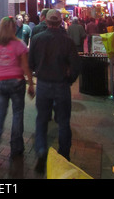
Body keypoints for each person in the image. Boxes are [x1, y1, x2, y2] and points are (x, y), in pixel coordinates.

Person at [28, 9, 81, 173]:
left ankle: (42, 151)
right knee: (64, 122)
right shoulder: (67, 41)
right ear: (59, 22)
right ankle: (64, 155)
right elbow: (76, 66)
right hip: (61, 85)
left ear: (47, 22)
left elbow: (30, 63)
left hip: (43, 84)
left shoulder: (36, 39)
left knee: (42, 120)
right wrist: (69, 80)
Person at [0, 16, 35, 160]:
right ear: (14, 28)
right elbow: (25, 66)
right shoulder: (19, 44)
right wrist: (31, 83)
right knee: (17, 113)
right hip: (16, 81)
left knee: (0, 111)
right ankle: (16, 146)